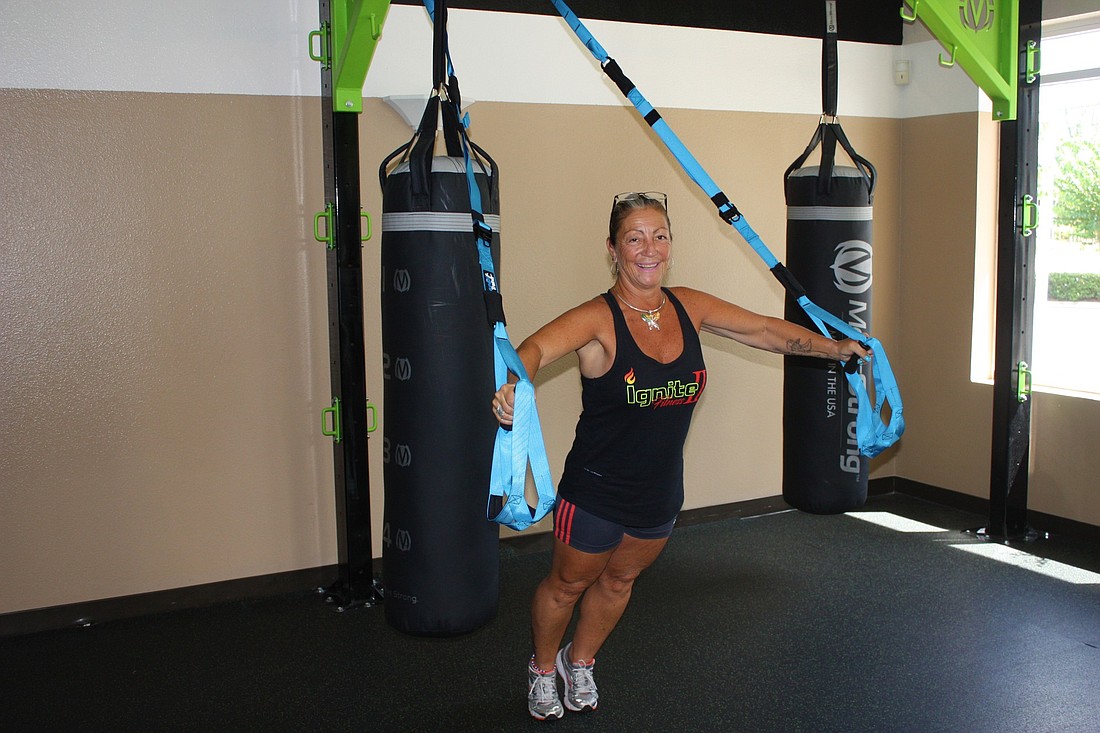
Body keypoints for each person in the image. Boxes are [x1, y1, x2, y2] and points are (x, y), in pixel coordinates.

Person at [491, 191, 871, 720]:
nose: (649, 249)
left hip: (660, 490)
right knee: (567, 585)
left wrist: (834, 348)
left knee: (619, 581)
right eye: (635, 238)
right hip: (596, 489)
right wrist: (515, 385)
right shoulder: (597, 319)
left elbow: (763, 329)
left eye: (660, 236)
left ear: (671, 244)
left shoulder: (689, 306)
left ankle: (579, 662)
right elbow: (531, 350)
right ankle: (540, 669)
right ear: (613, 250)